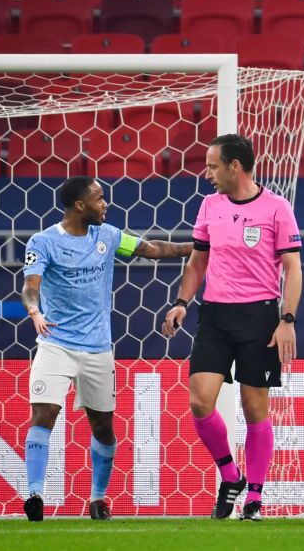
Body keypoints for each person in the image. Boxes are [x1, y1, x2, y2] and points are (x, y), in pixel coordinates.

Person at [21, 175, 193, 521]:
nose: (106, 205)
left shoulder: (109, 236)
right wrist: (34, 311)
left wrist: (199, 246)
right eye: (99, 199)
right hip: (55, 343)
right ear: (80, 206)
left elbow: (153, 249)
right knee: (44, 414)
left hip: (98, 349)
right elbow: (30, 285)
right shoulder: (43, 242)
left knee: (102, 427)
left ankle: (98, 498)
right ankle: (35, 496)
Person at [161, 134, 303, 522]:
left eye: (212, 166)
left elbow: (293, 268)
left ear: (234, 167)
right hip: (216, 315)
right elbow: (197, 263)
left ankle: (254, 497)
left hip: (259, 317)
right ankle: (230, 475)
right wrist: (181, 303)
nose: (207, 174)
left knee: (255, 407)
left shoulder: (276, 207)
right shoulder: (209, 206)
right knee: (199, 400)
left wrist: (287, 319)